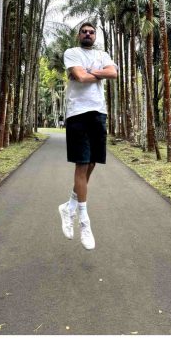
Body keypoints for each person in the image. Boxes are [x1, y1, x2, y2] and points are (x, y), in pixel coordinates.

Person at [58, 22, 117, 250]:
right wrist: (98, 74)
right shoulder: (71, 53)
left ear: (95, 36)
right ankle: (84, 222)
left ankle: (69, 206)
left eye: (91, 32)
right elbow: (80, 78)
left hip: (98, 113)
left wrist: (89, 72)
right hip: (77, 114)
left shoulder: (103, 54)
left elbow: (114, 72)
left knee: (93, 162)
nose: (88, 34)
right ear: (78, 35)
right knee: (82, 165)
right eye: (84, 31)